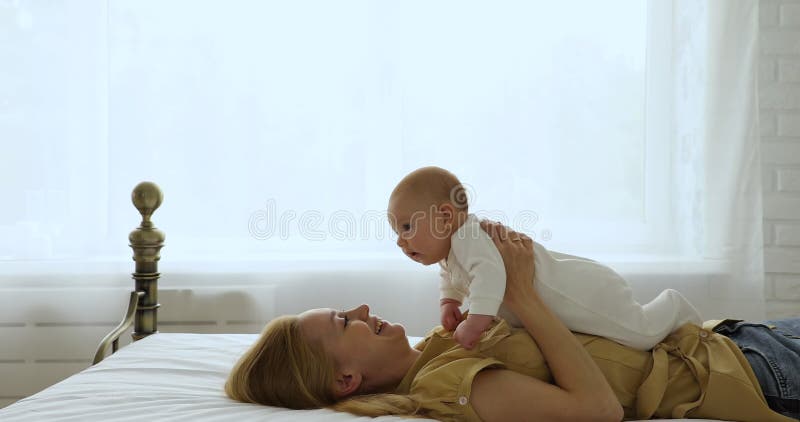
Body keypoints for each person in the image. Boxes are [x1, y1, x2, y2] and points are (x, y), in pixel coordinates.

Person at [225, 220, 798, 422]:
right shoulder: (445, 386)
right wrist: (524, 297)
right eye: (343, 322)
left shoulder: (442, 347)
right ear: (345, 380)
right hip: (754, 374)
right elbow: (595, 410)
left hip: (739, 339)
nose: (363, 310)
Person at [386, 166, 702, 350]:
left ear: (444, 216)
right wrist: (449, 302)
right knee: (612, 342)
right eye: (395, 231)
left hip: (580, 292)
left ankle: (673, 305)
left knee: (640, 334)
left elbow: (490, 276)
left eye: (406, 226)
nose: (400, 240)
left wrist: (475, 323)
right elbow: (450, 276)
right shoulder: (452, 250)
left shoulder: (469, 236)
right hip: (561, 298)